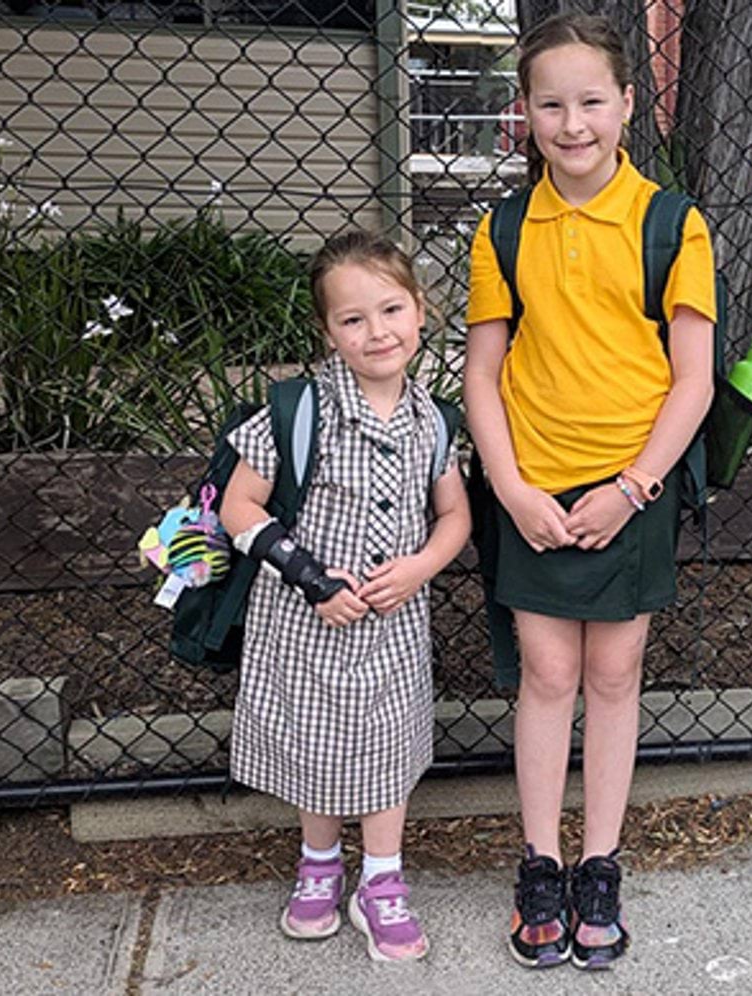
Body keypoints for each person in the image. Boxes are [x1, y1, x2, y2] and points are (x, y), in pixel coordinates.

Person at [462, 12, 717, 971]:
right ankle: (540, 863)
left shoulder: (671, 223)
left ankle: (600, 865)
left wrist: (634, 487)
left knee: (613, 675)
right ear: (524, 112)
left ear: (627, 104)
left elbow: (693, 380)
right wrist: (511, 488)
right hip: (533, 486)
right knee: (547, 674)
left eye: (592, 102)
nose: (573, 125)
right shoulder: (503, 227)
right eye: (551, 105)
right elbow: (483, 374)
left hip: (630, 488)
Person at [220, 229, 470, 962]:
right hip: (306, 620)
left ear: (420, 310)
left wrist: (421, 567)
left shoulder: (432, 421)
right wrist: (310, 577)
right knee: (316, 742)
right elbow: (239, 507)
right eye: (353, 319)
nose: (377, 332)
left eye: (391, 310)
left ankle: (381, 881)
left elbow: (455, 516)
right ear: (327, 332)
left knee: (387, 745)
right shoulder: (301, 411)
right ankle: (320, 864)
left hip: (393, 621)